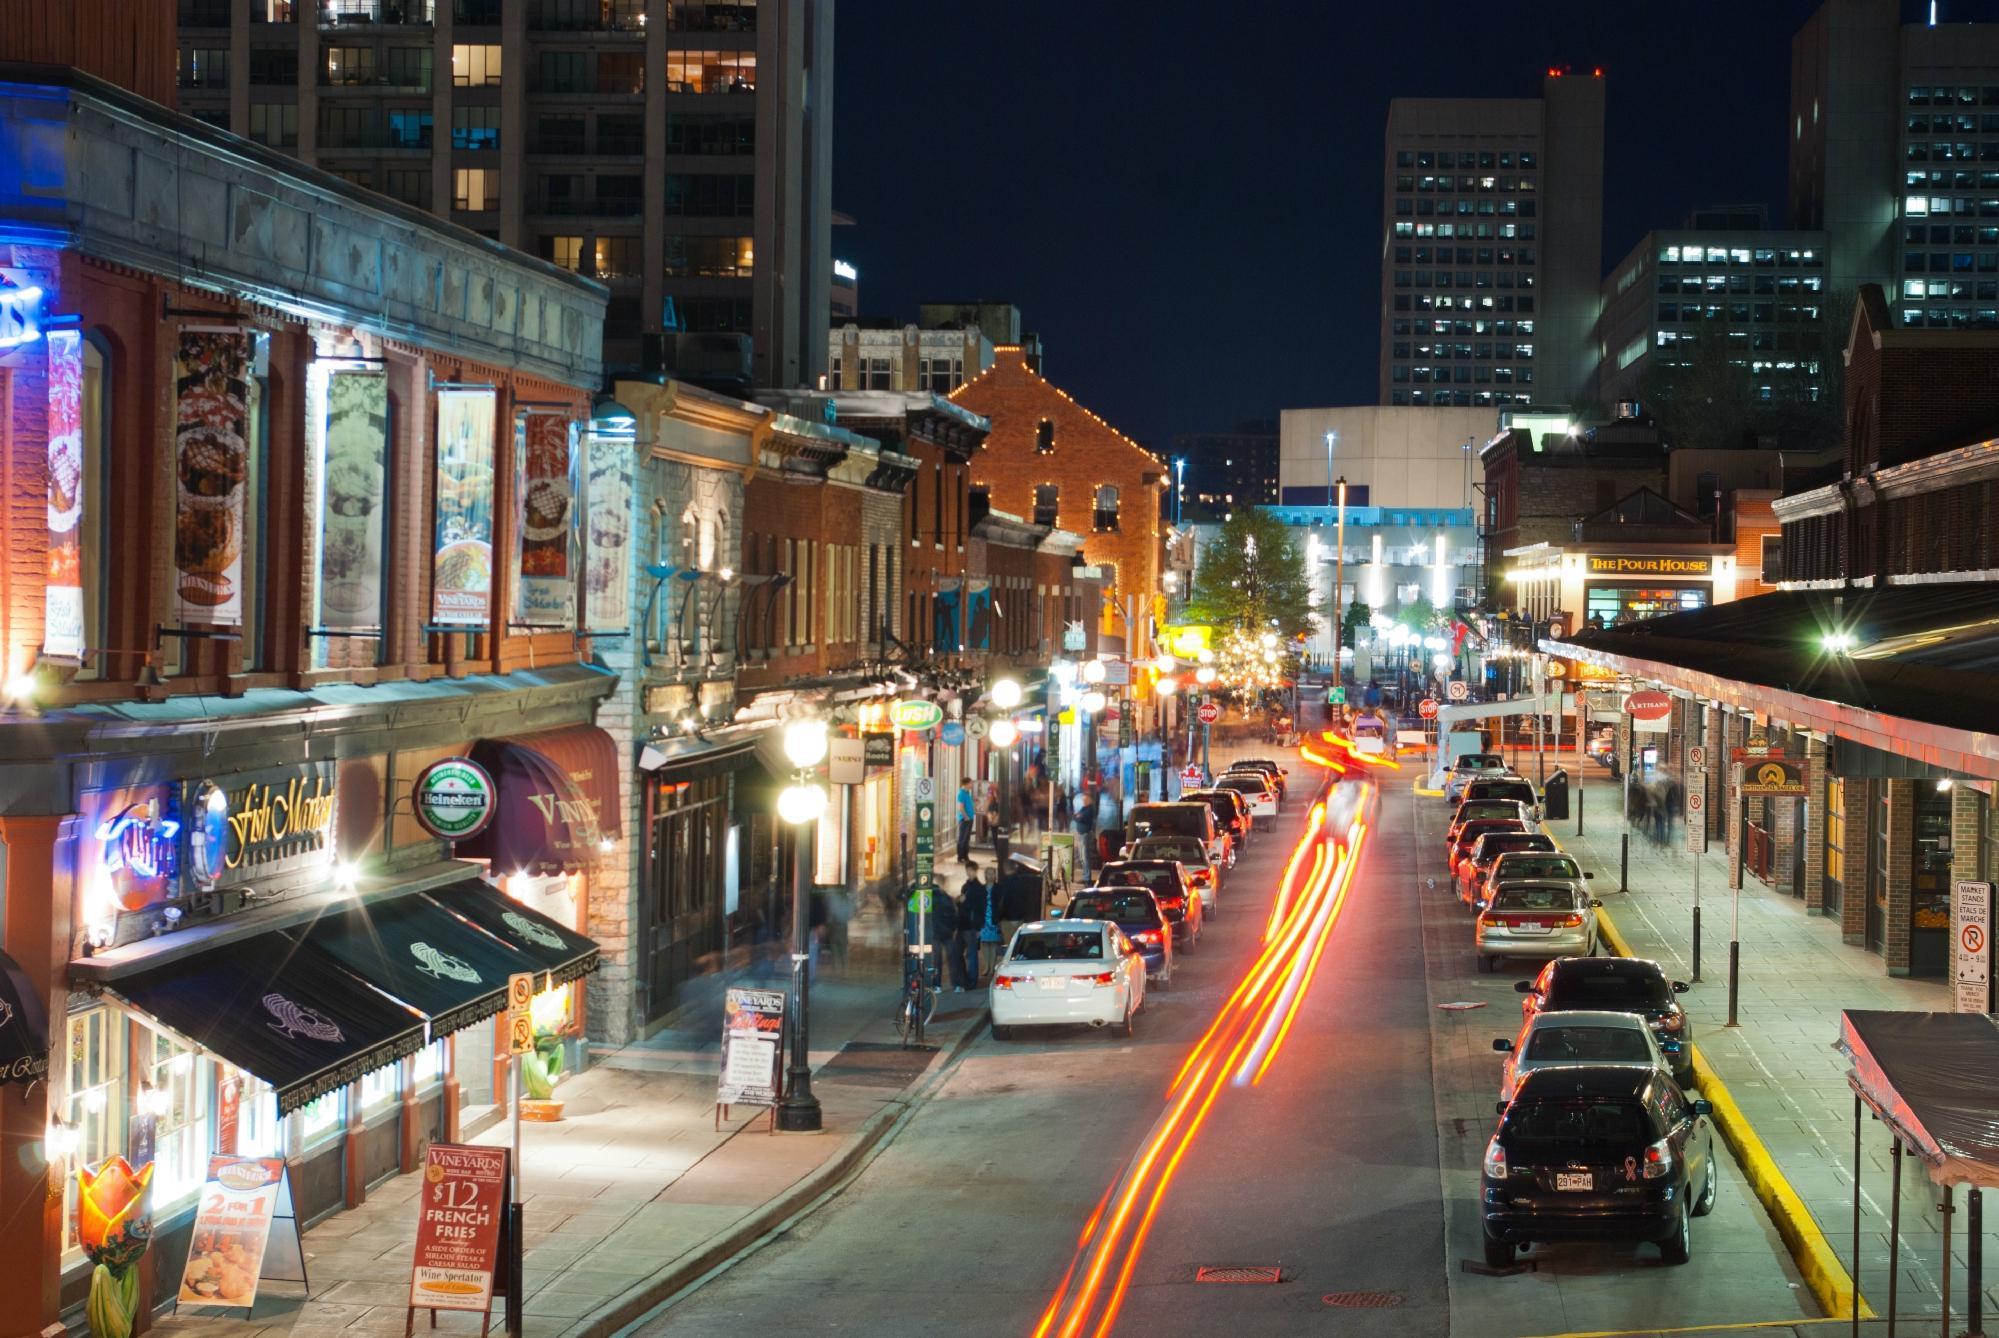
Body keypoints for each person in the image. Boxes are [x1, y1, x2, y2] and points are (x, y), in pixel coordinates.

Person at [951, 862, 986, 991]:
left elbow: (979, 908)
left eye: (971, 870)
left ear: (975, 871)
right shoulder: (965, 886)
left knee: (971, 955)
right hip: (962, 924)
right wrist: (959, 902)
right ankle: (963, 978)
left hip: (971, 926)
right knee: (957, 953)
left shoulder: (979, 889)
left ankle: (972, 981)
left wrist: (965, 902)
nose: (969, 872)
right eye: (967, 870)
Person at [956, 779, 975, 863]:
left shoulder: (967, 793)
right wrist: (966, 817)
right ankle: (960, 856)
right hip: (964, 819)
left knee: (966, 838)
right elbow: (961, 807)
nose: (972, 785)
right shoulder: (961, 793)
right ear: (966, 784)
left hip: (969, 818)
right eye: (971, 783)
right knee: (963, 838)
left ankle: (965, 856)